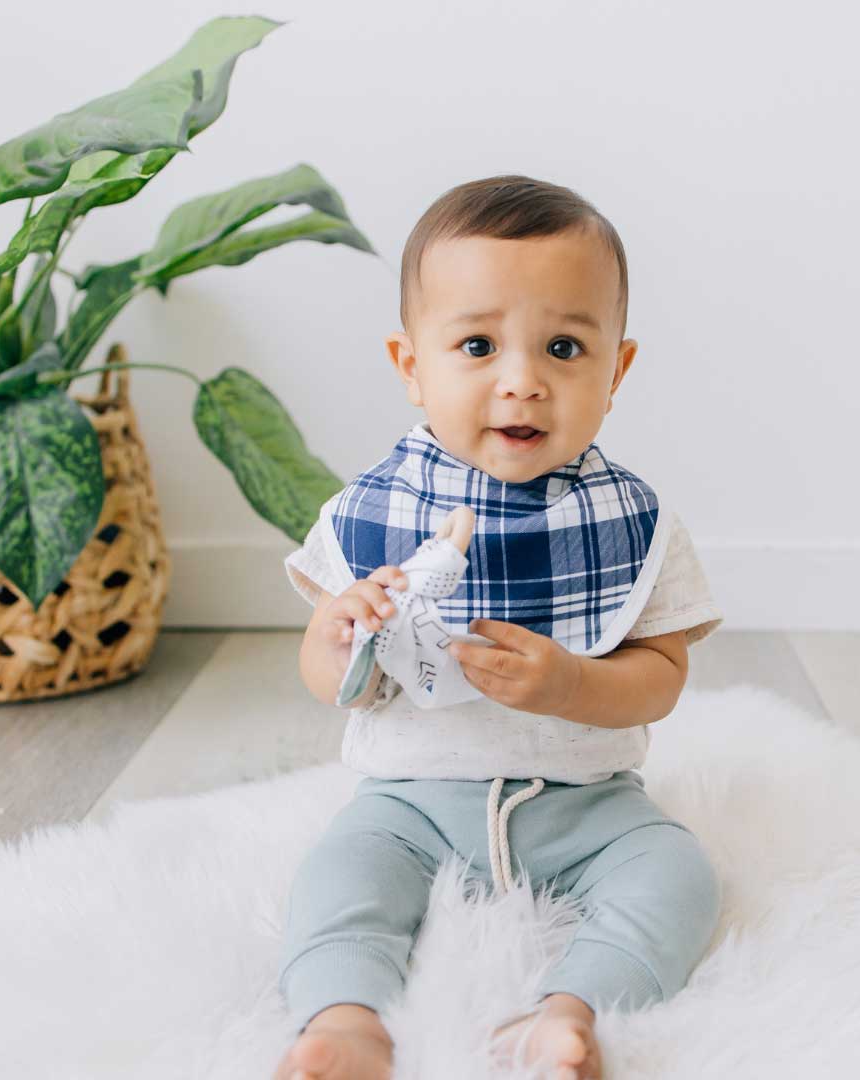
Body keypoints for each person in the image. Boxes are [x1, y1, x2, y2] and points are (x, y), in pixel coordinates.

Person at [273, 174, 724, 1080]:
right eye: (477, 345)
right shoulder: (371, 513)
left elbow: (663, 675)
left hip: (586, 806)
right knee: (337, 879)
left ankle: (567, 1012)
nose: (522, 381)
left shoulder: (634, 523)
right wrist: (340, 634)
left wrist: (574, 685)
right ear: (412, 366)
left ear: (617, 371)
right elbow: (327, 678)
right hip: (407, 805)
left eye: (563, 347)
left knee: (680, 874)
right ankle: (345, 1019)